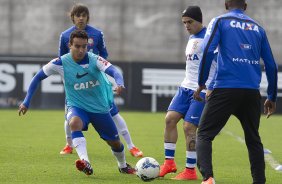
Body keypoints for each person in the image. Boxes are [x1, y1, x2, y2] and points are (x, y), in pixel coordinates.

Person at [19, 30, 136, 175]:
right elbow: (37, 77)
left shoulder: (95, 59)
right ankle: (85, 162)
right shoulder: (60, 62)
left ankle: (123, 165)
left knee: (115, 143)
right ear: (70, 45)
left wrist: (119, 82)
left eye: (84, 46)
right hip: (77, 106)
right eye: (77, 46)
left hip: (99, 108)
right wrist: (26, 101)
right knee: (74, 123)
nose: (81, 50)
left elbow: (114, 71)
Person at [193, 0, 278, 184]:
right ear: (245, 6)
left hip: (225, 88)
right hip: (251, 93)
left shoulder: (220, 22)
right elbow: (271, 65)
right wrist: (271, 96)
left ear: (226, 5)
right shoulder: (258, 28)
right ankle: (259, 181)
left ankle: (208, 178)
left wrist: (201, 83)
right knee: (253, 139)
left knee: (204, 134)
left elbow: (207, 51)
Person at [58, 3, 143, 157]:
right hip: (75, 84)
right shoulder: (65, 36)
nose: (81, 18)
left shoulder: (97, 34)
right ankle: (69, 144)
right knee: (70, 115)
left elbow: (104, 54)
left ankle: (132, 146)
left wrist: (96, 69)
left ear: (87, 17)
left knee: (113, 112)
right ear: (73, 17)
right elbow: (62, 60)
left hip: (97, 82)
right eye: (78, 15)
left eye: (84, 15)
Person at [159, 6, 216, 180]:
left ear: (200, 20)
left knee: (189, 127)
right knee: (169, 119)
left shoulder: (209, 38)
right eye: (184, 22)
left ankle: (190, 171)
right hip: (185, 87)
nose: (186, 25)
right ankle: (169, 163)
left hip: (202, 89)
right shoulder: (192, 38)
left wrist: (211, 86)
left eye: (190, 22)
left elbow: (219, 64)